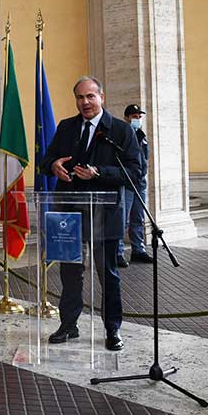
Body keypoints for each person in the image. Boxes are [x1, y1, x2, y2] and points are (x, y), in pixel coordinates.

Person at [40, 77, 141, 351]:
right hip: (69, 212)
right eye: (80, 97)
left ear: (101, 97)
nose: (85, 102)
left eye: (90, 96)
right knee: (70, 272)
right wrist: (53, 167)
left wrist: (100, 172)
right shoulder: (66, 127)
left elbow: (135, 172)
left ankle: (112, 329)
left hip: (104, 213)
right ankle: (68, 325)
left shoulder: (120, 130)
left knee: (107, 273)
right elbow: (46, 160)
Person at [117, 104, 151, 266]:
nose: (137, 119)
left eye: (139, 116)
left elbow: (144, 159)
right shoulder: (123, 135)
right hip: (127, 183)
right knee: (123, 220)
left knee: (138, 218)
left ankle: (139, 250)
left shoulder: (142, 136)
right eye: (134, 117)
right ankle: (118, 252)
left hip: (139, 183)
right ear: (126, 118)